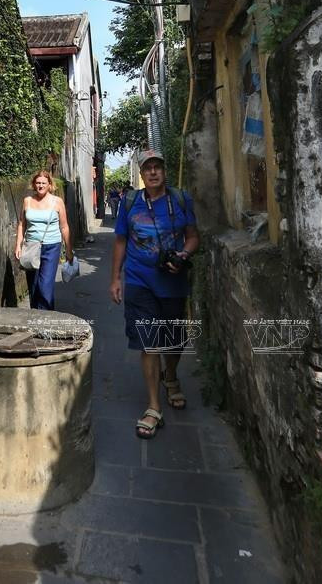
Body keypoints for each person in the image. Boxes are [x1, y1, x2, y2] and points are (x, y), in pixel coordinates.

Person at [109, 150, 199, 439]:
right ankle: (153, 406)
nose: (153, 173)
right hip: (139, 281)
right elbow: (121, 240)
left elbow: (193, 236)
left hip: (173, 282)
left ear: (164, 171)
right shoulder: (130, 202)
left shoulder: (181, 200)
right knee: (149, 343)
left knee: (174, 342)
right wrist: (115, 278)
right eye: (148, 168)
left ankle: (170, 377)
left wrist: (184, 254)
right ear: (141, 174)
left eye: (157, 167)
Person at [14, 170, 74, 310]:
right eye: (38, 183)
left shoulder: (57, 202)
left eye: (43, 183)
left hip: (51, 246)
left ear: (49, 185)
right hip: (31, 246)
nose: (40, 186)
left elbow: (64, 227)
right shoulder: (27, 201)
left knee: (45, 285)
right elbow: (22, 224)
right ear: (34, 184)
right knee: (33, 285)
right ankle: (35, 316)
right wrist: (18, 245)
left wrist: (69, 250)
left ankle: (46, 318)